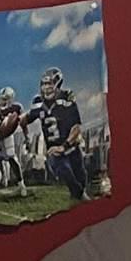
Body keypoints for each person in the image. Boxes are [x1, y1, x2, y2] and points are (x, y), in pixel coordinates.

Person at [33, 66, 90, 202]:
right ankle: (80, 197)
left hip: (71, 146)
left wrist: (64, 146)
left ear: (58, 84)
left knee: (81, 177)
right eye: (44, 84)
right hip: (55, 150)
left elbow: (76, 127)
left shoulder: (66, 98)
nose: (46, 87)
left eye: (50, 83)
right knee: (66, 173)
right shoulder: (38, 102)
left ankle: (78, 200)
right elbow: (26, 118)